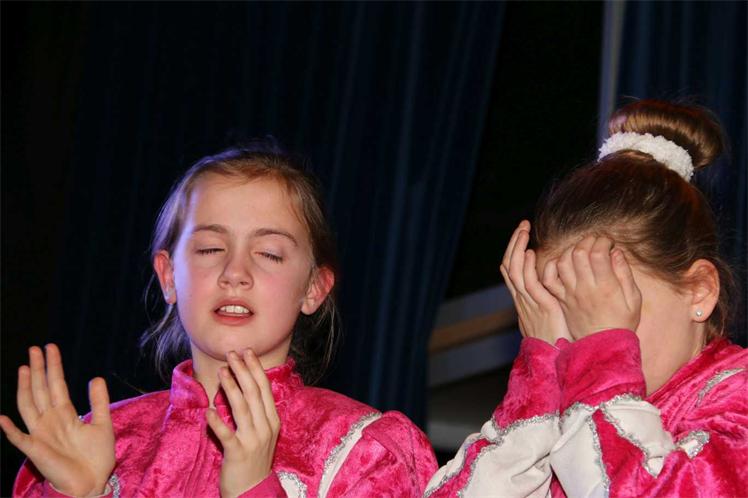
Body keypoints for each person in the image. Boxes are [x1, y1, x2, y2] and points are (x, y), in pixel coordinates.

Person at [2, 140, 437, 498]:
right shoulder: (108, 441)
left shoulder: (365, 451)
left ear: (313, 289)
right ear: (168, 276)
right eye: (211, 249)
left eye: (269, 253)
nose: (234, 273)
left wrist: (254, 490)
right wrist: (76, 493)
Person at [424, 100, 748, 497]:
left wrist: (602, 356)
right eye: (558, 309)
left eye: (607, 306)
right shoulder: (574, 416)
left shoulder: (738, 402)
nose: (579, 338)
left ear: (700, 290)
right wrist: (540, 380)